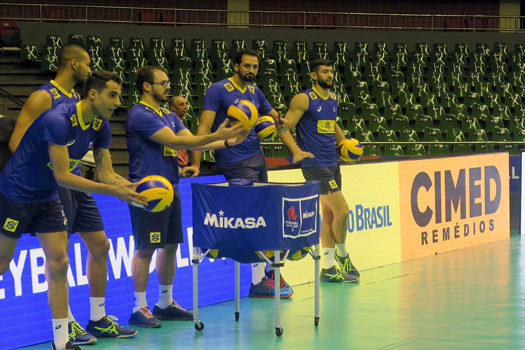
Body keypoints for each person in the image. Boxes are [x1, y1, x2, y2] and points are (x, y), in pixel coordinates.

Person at [0, 70, 147, 350]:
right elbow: (62, 176)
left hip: (48, 197)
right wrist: (116, 193)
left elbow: (105, 173)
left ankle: (61, 341)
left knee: (60, 263)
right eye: (112, 95)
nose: (118, 101)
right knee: (2, 264)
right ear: (93, 94)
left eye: (119, 95)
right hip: (16, 192)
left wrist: (135, 189)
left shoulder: (101, 126)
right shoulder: (59, 119)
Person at [126, 65, 246, 328]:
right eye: (162, 82)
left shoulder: (169, 115)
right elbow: (178, 143)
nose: (168, 86)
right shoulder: (139, 114)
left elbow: (194, 140)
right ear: (146, 86)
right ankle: (139, 307)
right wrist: (220, 134)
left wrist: (227, 142)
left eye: (169, 81)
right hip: (148, 189)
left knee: (170, 247)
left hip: (171, 186)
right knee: (145, 248)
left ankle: (165, 303)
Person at [188, 49, 304, 298]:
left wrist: (277, 120)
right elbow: (204, 127)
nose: (251, 70)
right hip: (234, 159)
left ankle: (267, 273)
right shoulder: (218, 90)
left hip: (257, 158)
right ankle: (258, 280)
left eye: (255, 67)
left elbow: (272, 113)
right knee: (251, 217)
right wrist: (196, 163)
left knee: (262, 215)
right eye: (247, 66)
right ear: (235, 66)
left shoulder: (254, 91)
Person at [278, 58, 360, 283]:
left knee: (330, 214)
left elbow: (331, 124)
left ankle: (327, 267)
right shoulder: (304, 99)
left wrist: (344, 144)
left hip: (332, 162)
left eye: (332, 71)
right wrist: (295, 150)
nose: (330, 75)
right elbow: (284, 127)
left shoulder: (334, 98)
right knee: (343, 211)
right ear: (314, 76)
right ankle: (343, 256)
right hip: (314, 165)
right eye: (325, 72)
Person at [168, 96, 190, 169]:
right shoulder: (170, 122)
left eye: (186, 104)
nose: (185, 107)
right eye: (181, 104)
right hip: (174, 165)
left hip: (181, 166)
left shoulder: (180, 122)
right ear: (173, 107)